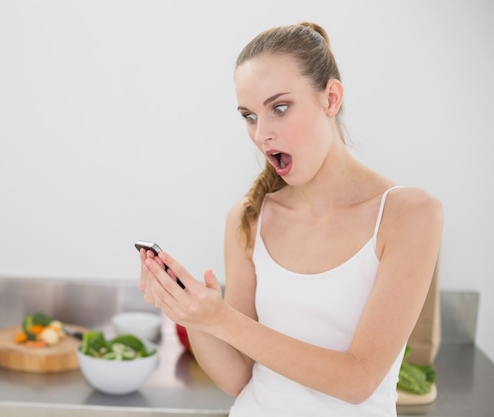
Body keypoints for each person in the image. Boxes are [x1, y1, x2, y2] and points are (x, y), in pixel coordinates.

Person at [138, 22, 443, 416]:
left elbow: (359, 380)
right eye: (249, 116)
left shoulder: (409, 215)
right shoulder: (248, 219)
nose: (261, 133)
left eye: (279, 108)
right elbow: (236, 379)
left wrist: (222, 319)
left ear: (330, 98)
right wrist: (193, 316)